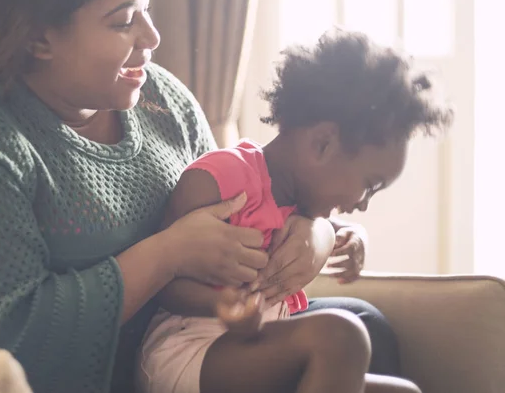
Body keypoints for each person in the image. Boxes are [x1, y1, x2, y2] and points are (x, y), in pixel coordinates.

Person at [0, 0, 395, 392]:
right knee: (342, 337)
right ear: (38, 38)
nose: (152, 38)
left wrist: (317, 229)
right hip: (69, 377)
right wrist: (167, 254)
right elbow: (9, 341)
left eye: (147, 10)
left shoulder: (163, 98)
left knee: (368, 325)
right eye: (123, 22)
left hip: (193, 341)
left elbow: (248, 202)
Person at [137, 30, 453, 393]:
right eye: (369, 185)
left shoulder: (299, 200)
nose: (363, 203)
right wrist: (221, 303)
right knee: (341, 336)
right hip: (190, 350)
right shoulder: (219, 180)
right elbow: (164, 283)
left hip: (256, 351)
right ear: (322, 144)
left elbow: (308, 221)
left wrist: (348, 233)